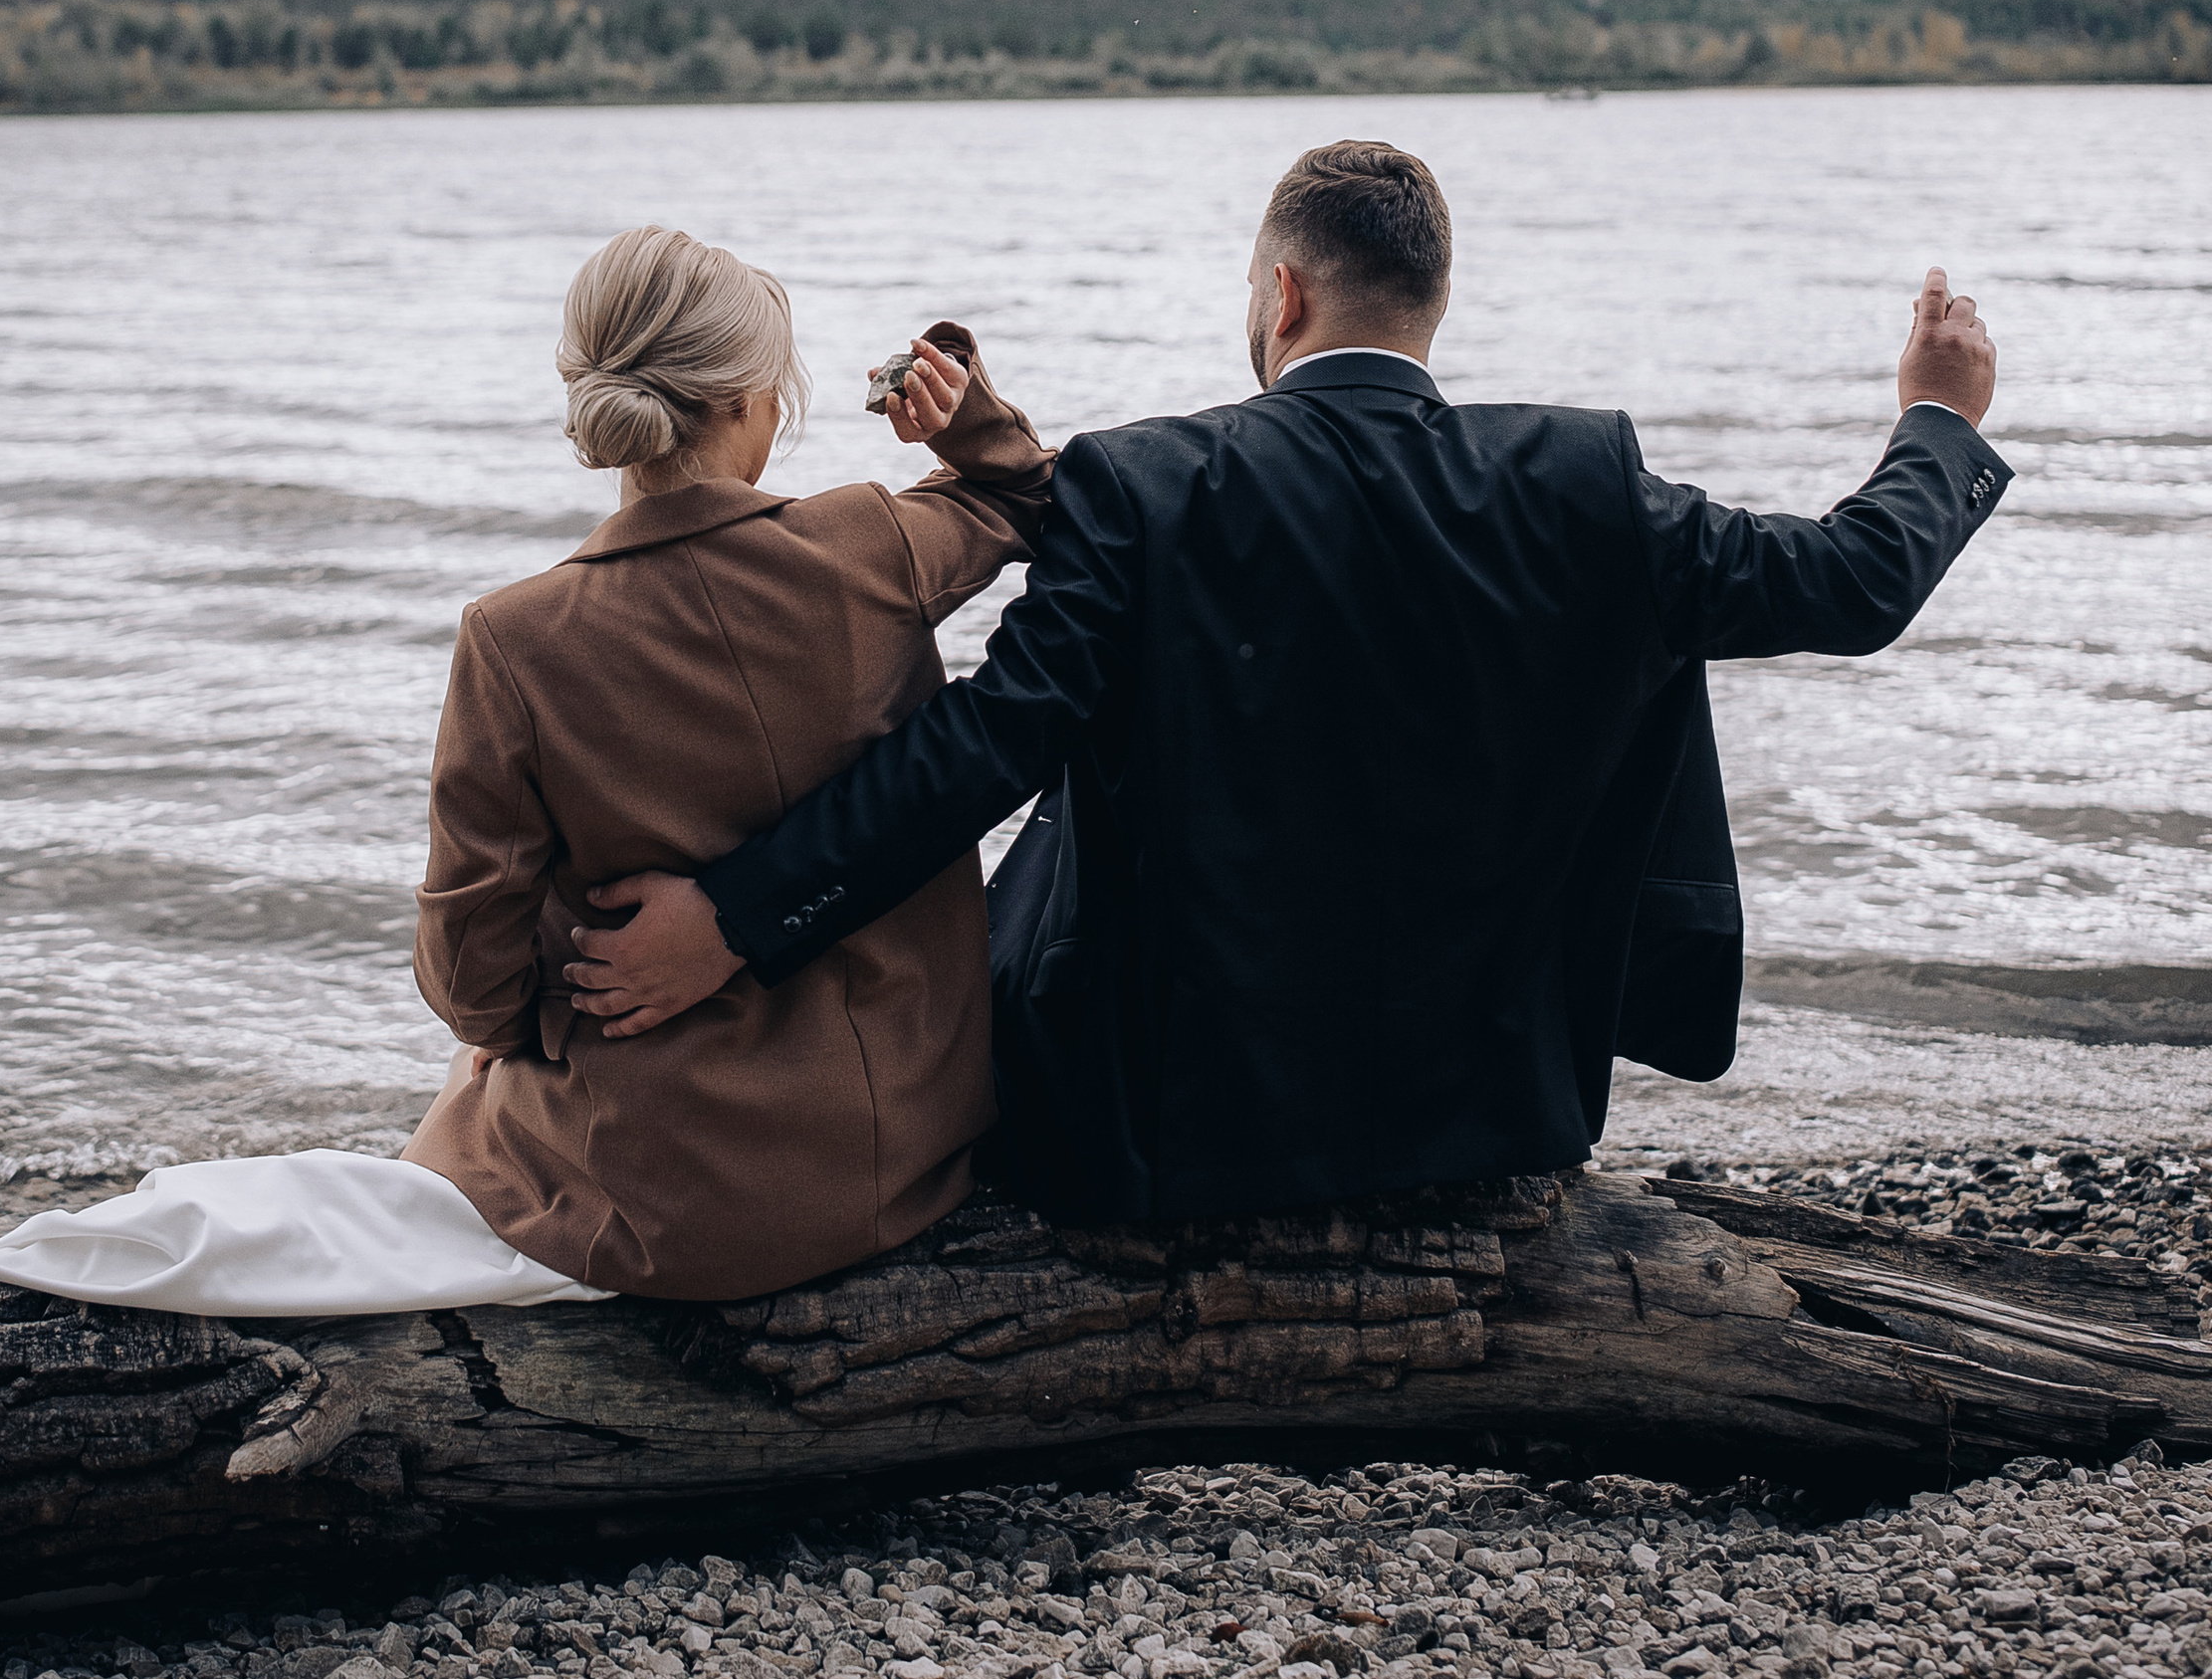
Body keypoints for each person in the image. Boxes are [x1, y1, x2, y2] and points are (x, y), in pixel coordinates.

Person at [562, 139, 2010, 1225]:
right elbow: (1851, 583)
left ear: (1282, 292)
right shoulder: (1583, 485)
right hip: (1495, 1118)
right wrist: (1936, 420)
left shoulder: (1144, 485)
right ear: (1433, 303)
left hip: (1170, 1138)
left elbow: (976, 753)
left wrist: (736, 918)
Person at [0, 225, 1050, 1313]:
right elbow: (1027, 497)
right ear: (752, 399)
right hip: (913, 1147)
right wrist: (965, 420)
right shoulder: (872, 544)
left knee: (474, 1094)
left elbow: (472, 971)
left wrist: (532, 1026)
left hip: (678, 1207)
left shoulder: (517, 638)